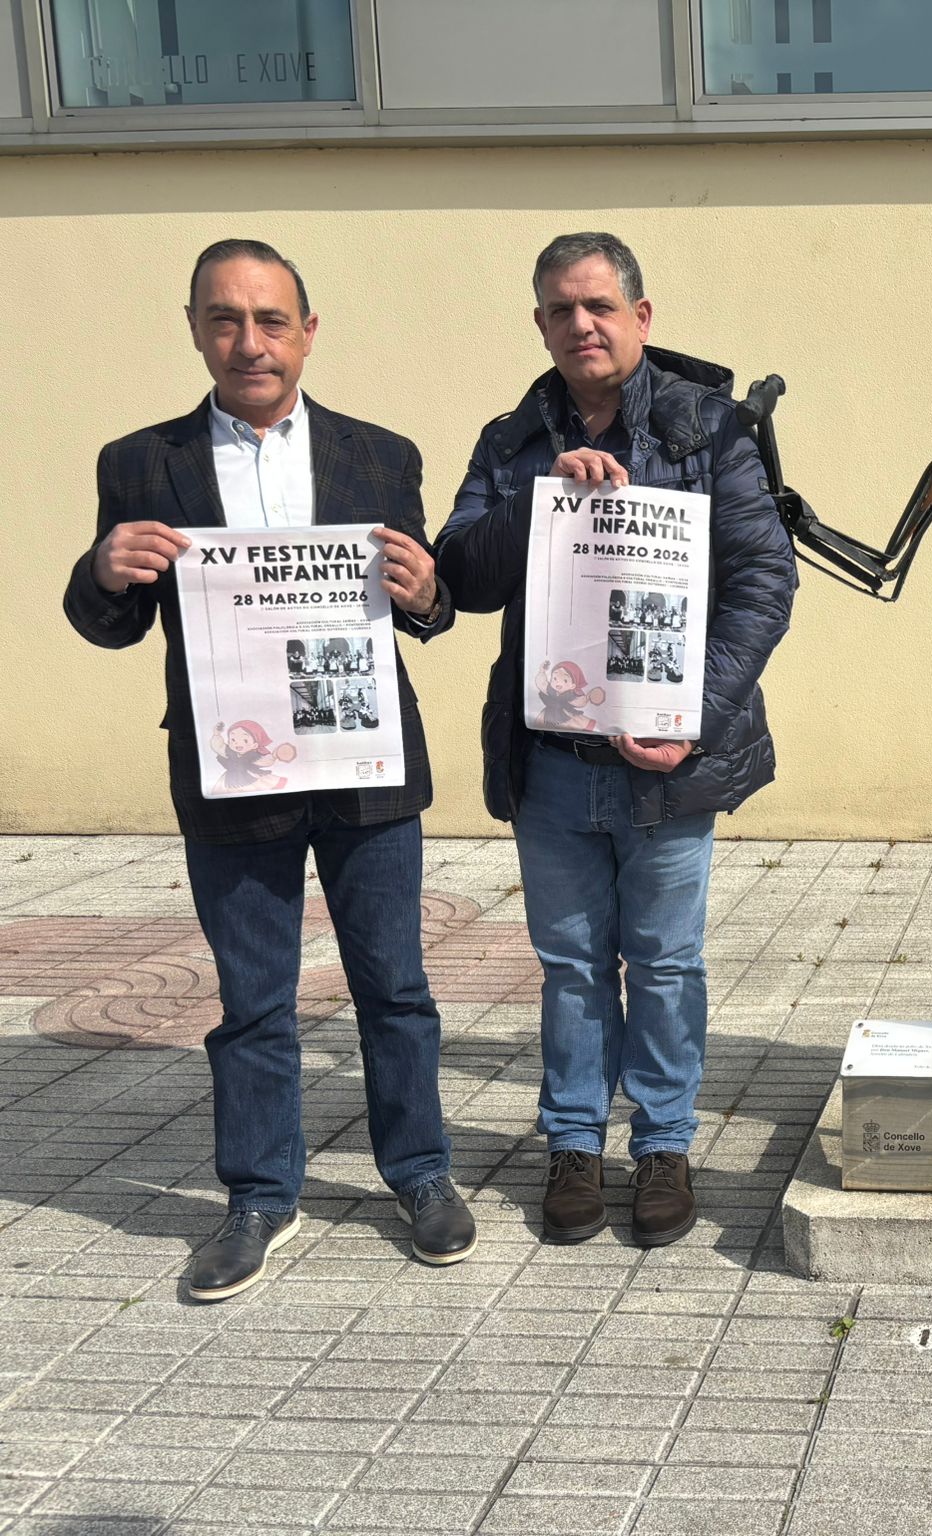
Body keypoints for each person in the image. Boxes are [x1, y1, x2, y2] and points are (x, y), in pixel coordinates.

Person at [62, 239, 472, 1301]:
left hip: (364, 766)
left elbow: (424, 612)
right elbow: (106, 622)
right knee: (253, 1000)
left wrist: (427, 590)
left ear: (307, 330)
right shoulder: (139, 462)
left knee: (396, 986)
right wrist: (104, 572)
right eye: (226, 319)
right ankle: (258, 1197)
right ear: (195, 328)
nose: (250, 341)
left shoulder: (380, 455)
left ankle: (421, 1174)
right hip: (233, 773)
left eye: (271, 319)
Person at [434, 232, 793, 1246]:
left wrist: (691, 719)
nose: (580, 324)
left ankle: (665, 1145)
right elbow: (461, 574)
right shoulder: (513, 440)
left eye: (599, 306)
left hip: (667, 765)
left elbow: (764, 586)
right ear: (540, 325)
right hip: (552, 762)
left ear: (641, 318)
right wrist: (545, 497)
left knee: (667, 965)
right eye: (559, 309)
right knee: (572, 965)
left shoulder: (707, 432)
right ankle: (573, 1145)